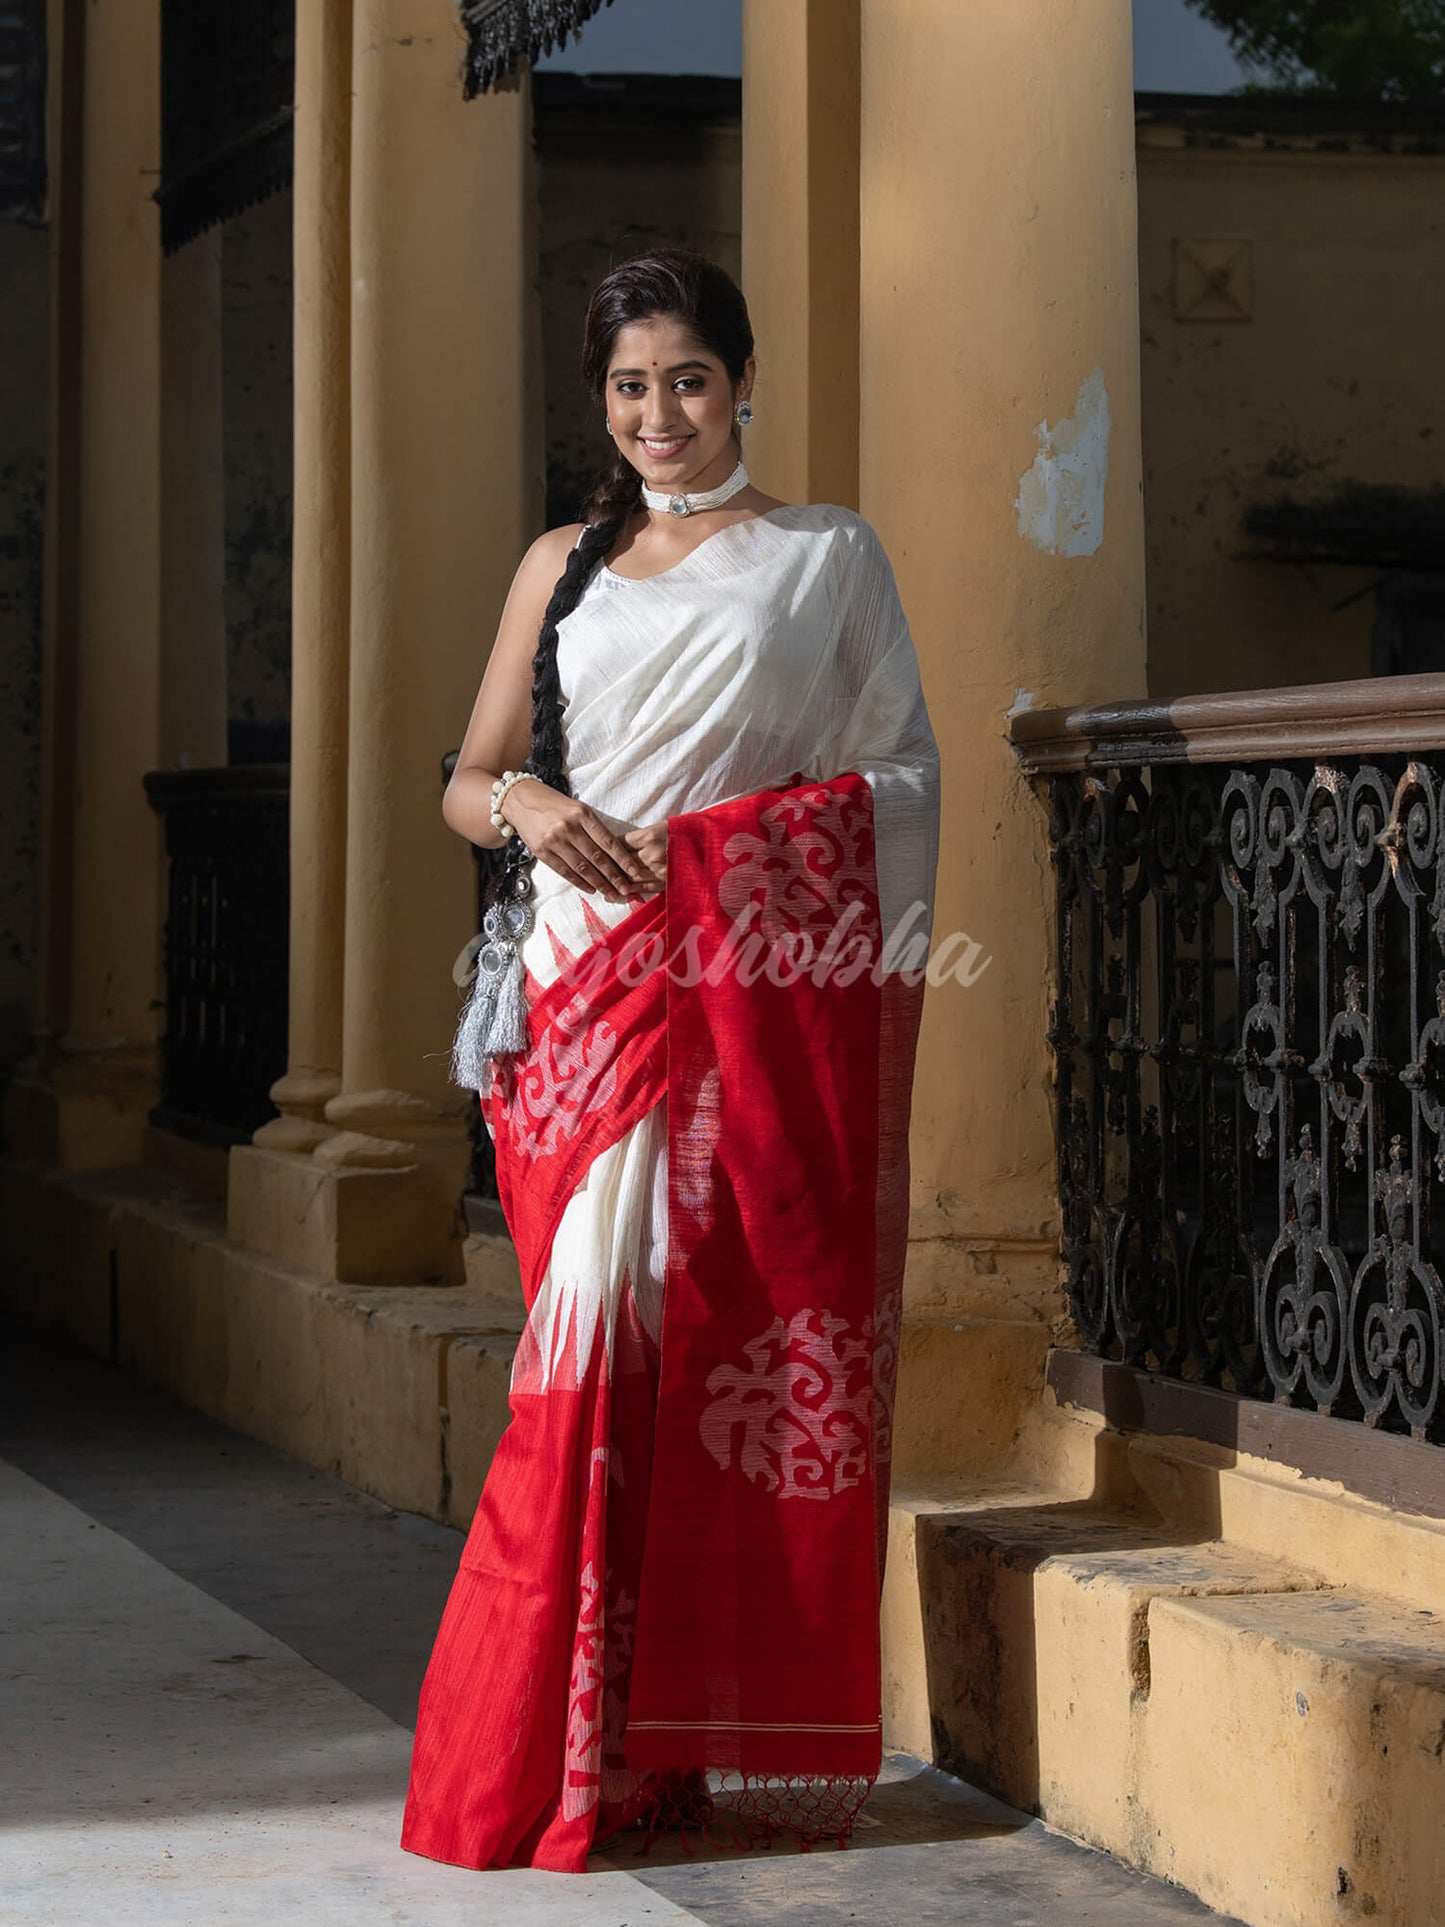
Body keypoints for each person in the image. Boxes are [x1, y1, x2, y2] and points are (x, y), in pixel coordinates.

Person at [401, 247, 940, 1875]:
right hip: (578, 1001)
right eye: (629, 387)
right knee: (577, 1377)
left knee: (694, 1370)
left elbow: (898, 775)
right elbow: (467, 776)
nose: (659, 414)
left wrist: (730, 861)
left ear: (742, 380)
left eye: (687, 379)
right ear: (601, 401)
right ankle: (553, 1755)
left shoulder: (823, 555)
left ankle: (642, 1758)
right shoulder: (558, 564)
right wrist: (531, 807)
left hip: (738, 1000)